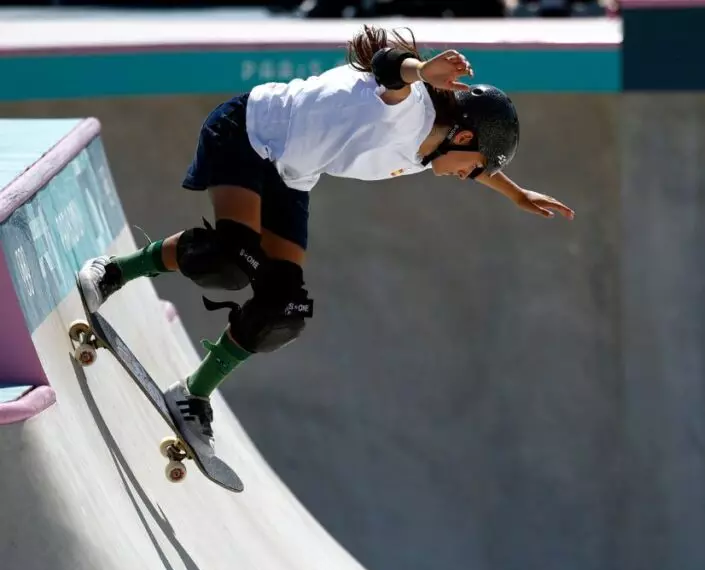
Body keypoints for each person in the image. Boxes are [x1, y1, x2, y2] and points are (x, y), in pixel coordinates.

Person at [76, 25, 574, 460]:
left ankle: (192, 395)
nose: (467, 179)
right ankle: (116, 270)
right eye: (473, 171)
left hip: (292, 176)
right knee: (231, 259)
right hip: (248, 134)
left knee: (284, 307)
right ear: (463, 139)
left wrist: (515, 192)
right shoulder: (408, 111)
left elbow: (471, 161)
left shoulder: (431, 150)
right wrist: (423, 70)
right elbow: (386, 68)